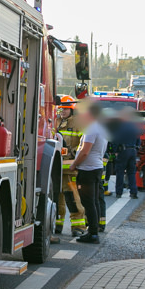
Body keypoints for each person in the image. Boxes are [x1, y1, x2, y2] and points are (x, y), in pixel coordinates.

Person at [69, 102, 108, 244]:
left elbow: (85, 152)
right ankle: (93, 231)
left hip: (88, 170)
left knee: (88, 202)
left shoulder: (92, 129)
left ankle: (92, 234)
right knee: (94, 201)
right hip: (95, 168)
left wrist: (74, 164)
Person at [55, 96, 86, 239]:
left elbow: (83, 143)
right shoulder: (55, 121)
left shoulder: (78, 123)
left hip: (69, 167)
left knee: (72, 197)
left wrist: (73, 154)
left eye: (65, 109)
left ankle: (78, 226)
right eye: (60, 108)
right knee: (56, 197)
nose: (62, 111)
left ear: (72, 110)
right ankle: (57, 224)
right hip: (55, 167)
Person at [109, 108, 141, 199]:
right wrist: (136, 149)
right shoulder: (134, 126)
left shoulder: (120, 126)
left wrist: (115, 151)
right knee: (131, 172)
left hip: (123, 151)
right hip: (133, 151)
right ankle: (133, 192)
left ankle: (119, 192)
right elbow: (139, 140)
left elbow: (116, 140)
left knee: (120, 172)